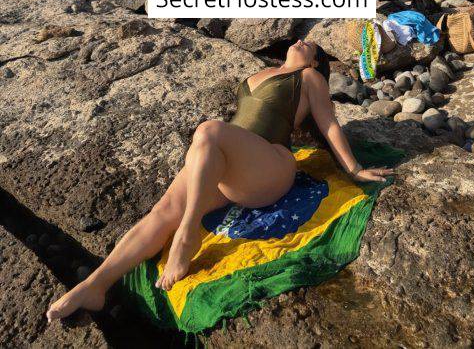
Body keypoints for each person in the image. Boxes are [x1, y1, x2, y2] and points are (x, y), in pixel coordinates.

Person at [46, 39, 393, 322]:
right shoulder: (264, 72)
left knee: (209, 131)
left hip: (271, 166)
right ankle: (95, 285)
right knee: (163, 211)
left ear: (314, 62)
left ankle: (188, 232)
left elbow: (329, 123)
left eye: (310, 46)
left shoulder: (309, 78)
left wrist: (353, 168)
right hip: (231, 164)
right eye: (302, 39)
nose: (301, 41)